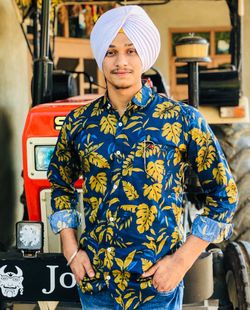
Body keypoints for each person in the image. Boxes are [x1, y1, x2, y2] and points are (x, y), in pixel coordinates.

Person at [47, 5, 238, 310]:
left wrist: (182, 260)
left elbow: (224, 195)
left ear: (143, 56)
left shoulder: (181, 119)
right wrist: (70, 248)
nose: (121, 62)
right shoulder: (78, 122)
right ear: (101, 57)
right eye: (110, 52)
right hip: (97, 285)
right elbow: (60, 184)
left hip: (157, 288)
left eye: (131, 50)